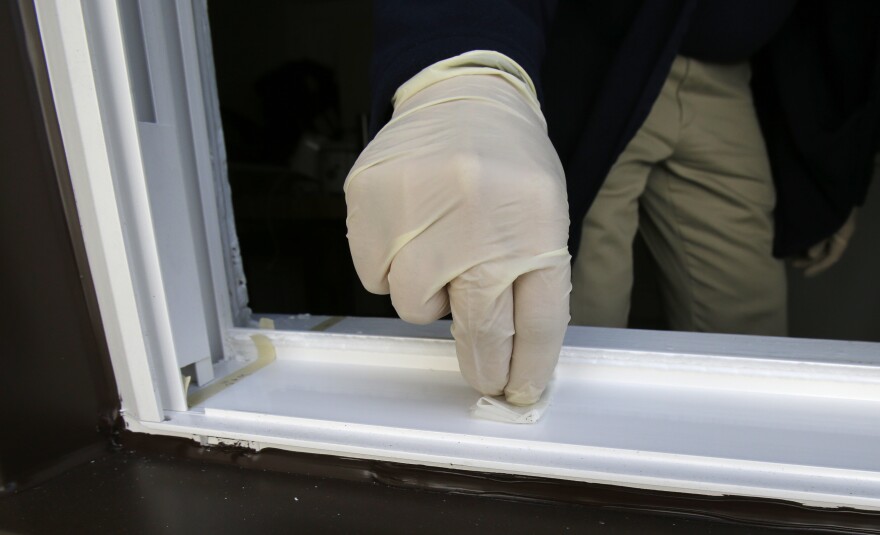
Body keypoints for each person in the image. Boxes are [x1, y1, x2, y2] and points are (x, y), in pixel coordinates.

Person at [344, 1, 880, 405]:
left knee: (752, 333)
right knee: (565, 319)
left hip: (735, 72)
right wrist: (461, 60)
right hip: (599, 60)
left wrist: (837, 173)